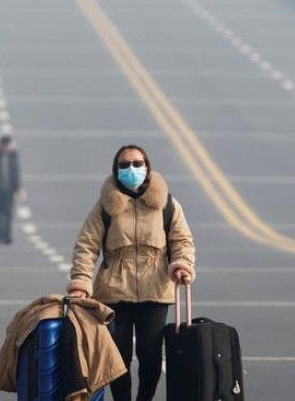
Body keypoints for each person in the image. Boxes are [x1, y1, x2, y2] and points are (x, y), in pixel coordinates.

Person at [67, 145, 195, 401]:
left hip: (155, 291)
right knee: (118, 356)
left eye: (137, 163)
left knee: (150, 355)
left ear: (147, 167)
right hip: (115, 291)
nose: (131, 169)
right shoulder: (105, 206)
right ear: (116, 170)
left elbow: (182, 240)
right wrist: (80, 281)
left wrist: (181, 264)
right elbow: (87, 244)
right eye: (124, 165)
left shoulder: (167, 204)